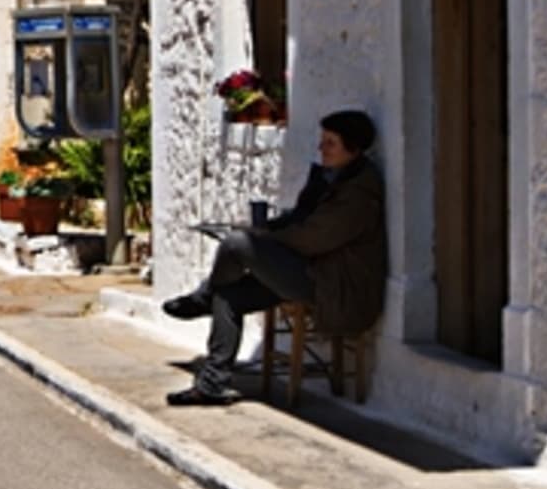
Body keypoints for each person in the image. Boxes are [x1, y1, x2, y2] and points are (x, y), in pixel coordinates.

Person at [162, 109, 387, 406]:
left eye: (330, 143)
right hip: (310, 270)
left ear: (354, 149)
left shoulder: (359, 192)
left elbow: (313, 238)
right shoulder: (330, 178)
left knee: (236, 244)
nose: (321, 148)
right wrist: (267, 229)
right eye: (323, 141)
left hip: (333, 286)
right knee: (228, 297)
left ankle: (203, 296)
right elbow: (298, 219)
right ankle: (213, 384)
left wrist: (263, 240)